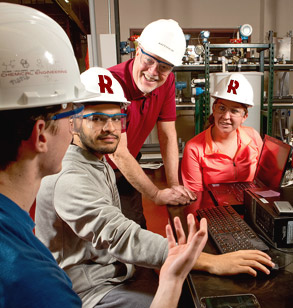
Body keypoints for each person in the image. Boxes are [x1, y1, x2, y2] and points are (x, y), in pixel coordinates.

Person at [35, 67, 275, 308]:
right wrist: (211, 261)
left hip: (116, 270)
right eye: (97, 118)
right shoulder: (69, 176)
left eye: (116, 118)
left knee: (190, 290)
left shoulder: (97, 161)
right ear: (73, 121)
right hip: (90, 289)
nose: (110, 127)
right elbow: (120, 236)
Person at [0, 3, 95, 307]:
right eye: (72, 112)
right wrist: (172, 279)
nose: (73, 127)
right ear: (41, 134)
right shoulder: (35, 284)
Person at [108, 19, 195, 228]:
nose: (154, 72)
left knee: (136, 229)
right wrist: (155, 193)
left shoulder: (168, 82)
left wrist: (173, 185)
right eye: (149, 60)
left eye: (164, 66)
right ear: (138, 51)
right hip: (93, 169)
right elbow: (117, 152)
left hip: (126, 169)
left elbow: (167, 134)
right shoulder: (113, 83)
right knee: (100, 239)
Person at [181, 73, 263, 192]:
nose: (226, 116)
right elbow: (196, 196)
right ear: (214, 109)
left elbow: (265, 179)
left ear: (244, 116)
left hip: (251, 205)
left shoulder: (253, 137)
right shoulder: (194, 148)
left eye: (234, 111)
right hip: (213, 209)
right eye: (222, 108)